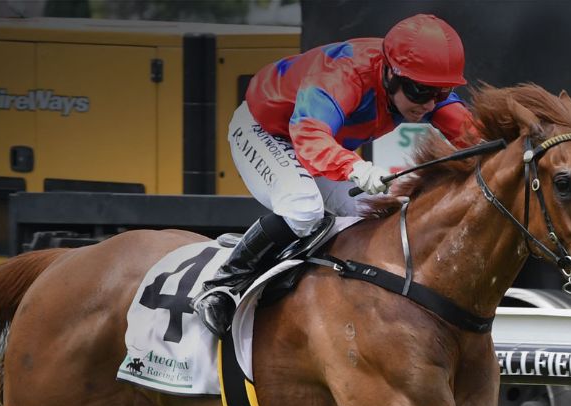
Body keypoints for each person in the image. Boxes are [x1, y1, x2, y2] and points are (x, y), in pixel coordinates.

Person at [192, 13, 479, 337]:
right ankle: (222, 286)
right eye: (421, 92)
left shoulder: (419, 86)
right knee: (303, 209)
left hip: (315, 142)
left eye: (441, 93)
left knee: (384, 211)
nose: (430, 104)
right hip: (267, 131)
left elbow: (473, 135)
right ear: (390, 73)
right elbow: (309, 136)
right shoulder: (344, 73)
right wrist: (356, 167)